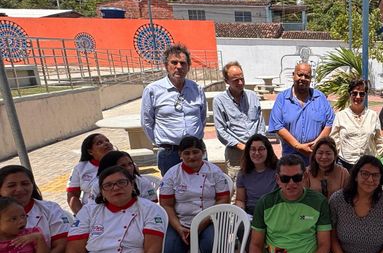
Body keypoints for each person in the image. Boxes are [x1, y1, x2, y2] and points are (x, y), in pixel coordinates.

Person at [159, 137, 231, 253]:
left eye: (195, 152)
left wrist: (202, 223)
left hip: (210, 220)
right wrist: (179, 228)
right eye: (187, 153)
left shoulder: (214, 172)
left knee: (211, 249)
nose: (191, 157)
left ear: (203, 152)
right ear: (180, 155)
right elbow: (166, 205)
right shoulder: (172, 174)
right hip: (180, 222)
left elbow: (223, 199)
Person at [141, 44, 207, 175]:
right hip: (169, 154)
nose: (179, 67)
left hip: (196, 151)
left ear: (188, 66)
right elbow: (147, 122)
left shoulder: (197, 89)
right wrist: (163, 143)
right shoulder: (153, 90)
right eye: (174, 62)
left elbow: (202, 118)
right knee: (172, 192)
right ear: (166, 65)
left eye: (183, 63)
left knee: (202, 189)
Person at [268, 63, 334, 164]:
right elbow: (277, 125)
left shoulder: (320, 98)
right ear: (293, 75)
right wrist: (298, 146)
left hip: (316, 159)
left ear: (311, 79)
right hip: (290, 159)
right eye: (300, 75)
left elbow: (330, 122)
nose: (303, 78)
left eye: (307, 76)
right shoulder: (282, 98)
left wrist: (316, 145)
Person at [213, 61, 266, 181]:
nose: (240, 82)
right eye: (235, 80)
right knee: (238, 190)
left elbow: (260, 123)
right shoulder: (219, 101)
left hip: (257, 151)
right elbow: (221, 131)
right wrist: (242, 146)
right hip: (236, 154)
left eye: (242, 78)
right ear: (227, 81)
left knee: (259, 185)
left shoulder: (252, 96)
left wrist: (258, 145)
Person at [330, 78, 383, 171]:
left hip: (367, 166)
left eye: (361, 94)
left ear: (365, 95)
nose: (358, 97)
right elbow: (334, 141)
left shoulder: (373, 116)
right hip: (345, 165)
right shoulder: (340, 116)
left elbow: (378, 140)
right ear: (349, 94)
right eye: (354, 93)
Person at [67, 133, 114, 213]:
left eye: (107, 141)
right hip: (91, 213)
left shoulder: (122, 162)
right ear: (90, 151)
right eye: (99, 143)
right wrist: (82, 216)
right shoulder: (80, 168)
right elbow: (72, 196)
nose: (106, 143)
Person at [88, 151, 158, 204]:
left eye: (130, 164)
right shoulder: (97, 186)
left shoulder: (143, 182)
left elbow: (151, 206)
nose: (129, 168)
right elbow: (93, 209)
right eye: (123, 166)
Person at [235, 134, 279, 216]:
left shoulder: (278, 169)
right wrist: (242, 214)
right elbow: (240, 200)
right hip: (251, 214)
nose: (257, 153)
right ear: (248, 152)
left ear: (268, 150)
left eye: (261, 149)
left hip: (273, 213)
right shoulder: (243, 173)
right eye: (253, 149)